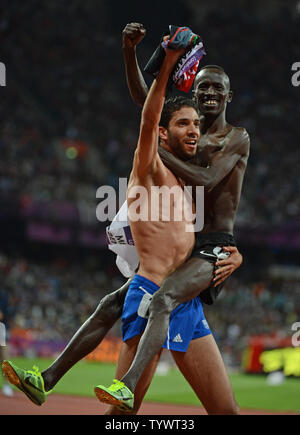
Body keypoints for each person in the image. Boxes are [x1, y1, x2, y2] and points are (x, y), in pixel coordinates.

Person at [1, 25, 243, 413]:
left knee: (226, 411)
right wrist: (162, 64)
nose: (194, 130)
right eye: (184, 124)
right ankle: (57, 379)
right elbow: (149, 108)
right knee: (121, 414)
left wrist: (232, 250)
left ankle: (47, 378)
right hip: (153, 295)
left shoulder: (184, 176)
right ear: (162, 134)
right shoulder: (148, 164)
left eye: (196, 124)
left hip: (186, 299)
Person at [95, 23, 250, 414]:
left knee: (157, 301)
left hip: (211, 252)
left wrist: (149, 146)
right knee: (127, 302)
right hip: (181, 260)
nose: (211, 93)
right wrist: (130, 52)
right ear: (194, 95)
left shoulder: (233, 138)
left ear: (229, 96)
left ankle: (64, 377)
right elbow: (145, 102)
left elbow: (209, 178)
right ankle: (50, 376)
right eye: (204, 88)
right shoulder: (184, 136)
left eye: (218, 88)